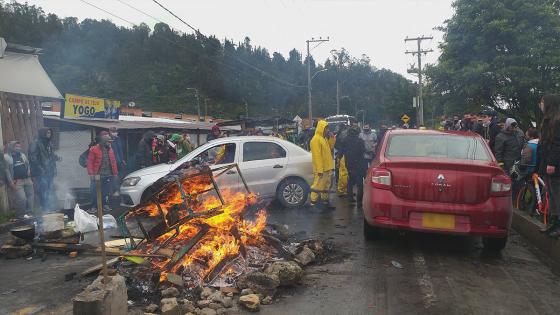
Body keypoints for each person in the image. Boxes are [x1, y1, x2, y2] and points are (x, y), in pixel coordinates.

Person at [537, 94, 560, 237]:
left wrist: (552, 163)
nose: (541, 104)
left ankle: (557, 224)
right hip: (546, 162)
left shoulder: (556, 121)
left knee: (557, 195)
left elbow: (557, 144)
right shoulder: (547, 119)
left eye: (542, 102)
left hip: (554, 165)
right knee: (550, 194)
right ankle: (553, 223)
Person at [29, 128, 59, 211]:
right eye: (47, 132)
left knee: (49, 190)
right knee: (43, 190)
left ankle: (50, 207)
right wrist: (41, 169)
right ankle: (45, 209)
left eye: (50, 132)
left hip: (50, 172)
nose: (49, 134)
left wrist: (57, 158)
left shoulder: (49, 143)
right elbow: (33, 158)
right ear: (42, 133)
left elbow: (50, 156)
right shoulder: (35, 143)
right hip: (41, 173)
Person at [87, 131, 118, 211]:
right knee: (94, 191)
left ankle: (105, 205)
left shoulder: (110, 149)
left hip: (108, 174)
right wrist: (91, 174)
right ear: (103, 141)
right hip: (97, 175)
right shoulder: (94, 149)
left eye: (110, 141)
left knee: (106, 191)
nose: (110, 143)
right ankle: (94, 206)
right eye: (108, 141)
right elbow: (89, 162)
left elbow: (113, 162)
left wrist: (115, 173)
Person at [310, 120, 335, 210]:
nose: (327, 130)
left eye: (328, 128)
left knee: (326, 186)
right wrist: (320, 170)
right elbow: (317, 156)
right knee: (317, 185)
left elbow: (331, 147)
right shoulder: (315, 139)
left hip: (328, 167)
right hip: (321, 169)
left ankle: (325, 202)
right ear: (321, 128)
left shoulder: (323, 138)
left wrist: (332, 138)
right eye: (326, 128)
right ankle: (313, 203)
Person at [4, 141, 34, 216]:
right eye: (16, 146)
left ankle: (29, 214)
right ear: (11, 147)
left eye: (19, 147)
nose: (18, 148)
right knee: (22, 199)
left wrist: (29, 171)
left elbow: (28, 164)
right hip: (17, 182)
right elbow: (6, 170)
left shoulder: (22, 155)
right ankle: (20, 215)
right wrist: (10, 182)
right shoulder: (6, 157)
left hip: (27, 180)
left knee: (30, 197)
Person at [344, 126, 368, 208]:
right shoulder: (360, 141)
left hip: (349, 164)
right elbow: (363, 150)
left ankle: (350, 198)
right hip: (359, 165)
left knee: (350, 181)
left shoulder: (345, 140)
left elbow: (341, 150)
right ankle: (359, 202)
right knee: (359, 184)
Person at [334, 123, 349, 197]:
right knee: (344, 173)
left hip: (340, 155)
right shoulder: (345, 134)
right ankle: (343, 190)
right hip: (344, 155)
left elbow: (335, 145)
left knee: (342, 173)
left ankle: (343, 189)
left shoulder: (338, 135)